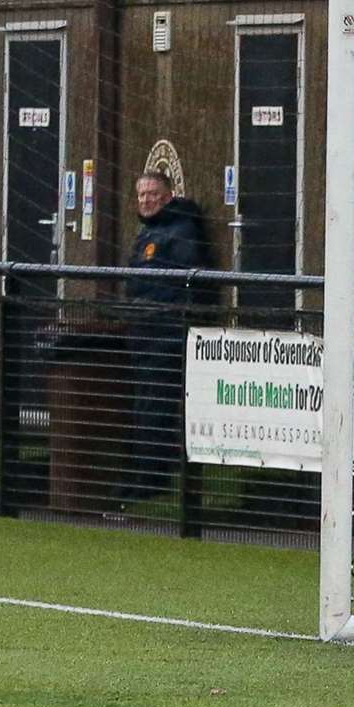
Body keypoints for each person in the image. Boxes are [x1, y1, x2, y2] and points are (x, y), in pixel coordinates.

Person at [122, 170, 211, 501]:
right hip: (143, 333)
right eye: (142, 195)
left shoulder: (182, 232)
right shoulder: (147, 233)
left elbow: (186, 285)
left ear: (168, 196)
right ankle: (143, 474)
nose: (146, 200)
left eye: (152, 194)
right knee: (143, 406)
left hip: (167, 335)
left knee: (157, 406)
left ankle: (153, 479)